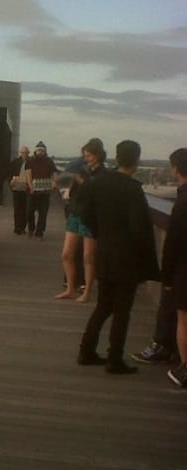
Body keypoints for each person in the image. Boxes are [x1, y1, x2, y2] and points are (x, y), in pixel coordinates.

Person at [77, 140, 160, 374]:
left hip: (104, 252)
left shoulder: (99, 182)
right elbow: (139, 229)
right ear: (136, 160)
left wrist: (100, 233)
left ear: (116, 157)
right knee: (122, 310)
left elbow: (85, 213)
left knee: (103, 305)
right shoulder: (133, 189)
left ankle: (86, 351)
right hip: (126, 258)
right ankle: (114, 359)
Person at [55, 138, 106, 301]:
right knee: (66, 254)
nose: (86, 159)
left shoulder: (104, 174)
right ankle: (70, 289)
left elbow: (98, 194)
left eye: (89, 155)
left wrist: (82, 182)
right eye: (85, 155)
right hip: (76, 213)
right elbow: (73, 191)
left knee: (88, 257)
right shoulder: (83, 171)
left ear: (98, 155)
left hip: (91, 217)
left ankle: (86, 292)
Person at [162, 149, 187, 386]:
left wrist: (166, 277)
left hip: (184, 271)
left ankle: (185, 369)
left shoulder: (182, 202)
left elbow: (172, 243)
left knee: (184, 320)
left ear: (176, 169)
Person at [25, 141, 58, 240]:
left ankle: (39, 232)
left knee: (43, 213)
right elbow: (28, 174)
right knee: (30, 211)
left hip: (45, 191)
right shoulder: (30, 160)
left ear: (45, 151)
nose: (40, 152)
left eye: (42, 150)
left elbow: (54, 172)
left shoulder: (49, 161)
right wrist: (30, 186)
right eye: (39, 150)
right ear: (36, 150)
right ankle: (31, 228)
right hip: (33, 190)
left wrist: (54, 182)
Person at [9, 146, 31, 235]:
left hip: (26, 188)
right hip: (17, 187)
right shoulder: (15, 162)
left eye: (25, 153)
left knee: (26, 209)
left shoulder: (31, 162)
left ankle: (22, 227)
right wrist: (11, 182)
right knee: (17, 208)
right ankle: (17, 227)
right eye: (22, 152)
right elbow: (10, 173)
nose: (24, 154)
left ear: (28, 153)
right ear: (20, 153)